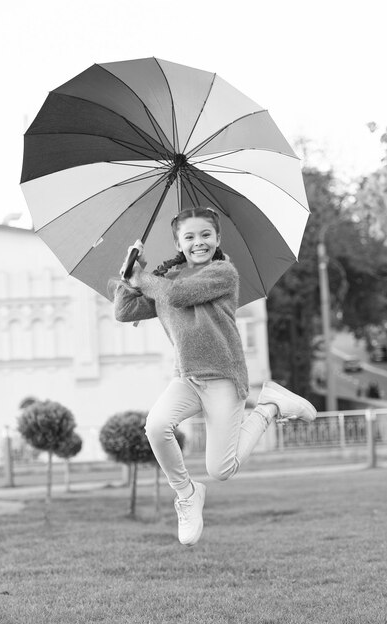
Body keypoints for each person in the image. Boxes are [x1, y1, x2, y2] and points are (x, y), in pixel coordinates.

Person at [107, 207, 316, 547]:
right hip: (187, 378)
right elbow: (124, 312)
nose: (198, 242)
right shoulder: (166, 278)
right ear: (178, 242)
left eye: (206, 235)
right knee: (156, 426)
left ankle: (268, 407)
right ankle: (187, 494)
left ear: (218, 239)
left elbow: (178, 295)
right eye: (189, 237)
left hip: (223, 376)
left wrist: (142, 279)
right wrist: (129, 275)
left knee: (222, 469)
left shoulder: (223, 273)